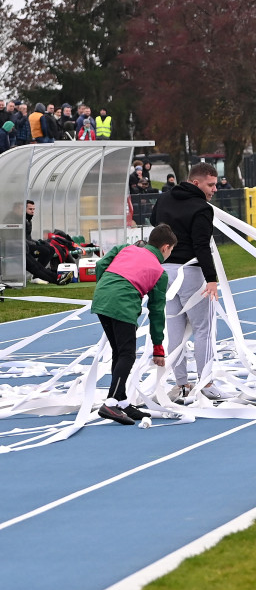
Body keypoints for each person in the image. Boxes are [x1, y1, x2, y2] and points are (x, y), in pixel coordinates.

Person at [90, 224, 177, 424]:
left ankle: (121, 401)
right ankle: (111, 403)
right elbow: (156, 311)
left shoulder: (125, 249)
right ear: (165, 248)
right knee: (127, 354)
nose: (170, 254)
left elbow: (101, 264)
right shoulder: (159, 273)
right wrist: (158, 347)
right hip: (123, 304)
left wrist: (105, 287)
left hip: (102, 298)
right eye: (171, 250)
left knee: (119, 352)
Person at [149, 162, 220, 402]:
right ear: (196, 182)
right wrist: (212, 279)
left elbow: (153, 223)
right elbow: (202, 245)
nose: (214, 190)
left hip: (163, 272)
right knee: (203, 330)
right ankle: (206, 383)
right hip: (190, 272)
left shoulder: (164, 199)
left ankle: (181, 384)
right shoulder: (201, 207)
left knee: (175, 333)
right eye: (211, 184)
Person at [24, 200, 74, 285]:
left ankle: (44, 276)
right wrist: (35, 244)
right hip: (23, 248)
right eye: (30, 209)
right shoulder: (20, 221)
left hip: (26, 247)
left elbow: (28, 238)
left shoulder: (28, 220)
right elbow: (21, 239)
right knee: (44, 254)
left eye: (33, 209)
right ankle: (40, 276)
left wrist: (38, 242)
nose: (32, 211)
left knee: (50, 249)